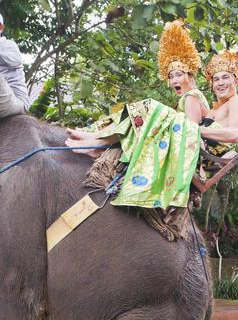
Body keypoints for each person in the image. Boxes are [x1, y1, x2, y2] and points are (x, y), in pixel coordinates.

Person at [65, 20, 210, 210]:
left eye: (178, 75)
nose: (174, 80)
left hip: (188, 147)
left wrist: (160, 118)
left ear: (189, 76)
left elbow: (190, 129)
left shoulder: (191, 97)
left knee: (150, 107)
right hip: (180, 138)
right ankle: (96, 137)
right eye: (171, 76)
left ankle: (99, 141)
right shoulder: (185, 97)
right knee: (140, 116)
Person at [199, 51, 238, 158]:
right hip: (199, 155)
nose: (220, 83)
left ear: (235, 81)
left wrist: (195, 130)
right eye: (216, 79)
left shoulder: (237, 101)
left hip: (213, 158)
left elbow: (234, 134)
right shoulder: (213, 110)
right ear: (212, 85)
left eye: (225, 77)